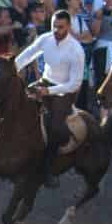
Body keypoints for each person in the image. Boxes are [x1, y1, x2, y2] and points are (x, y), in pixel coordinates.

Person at [12, 10, 85, 165]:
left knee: (55, 127)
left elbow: (75, 84)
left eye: (61, 27)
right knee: (18, 101)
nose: (56, 31)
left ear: (69, 26)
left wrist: (48, 91)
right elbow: (27, 55)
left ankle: (49, 164)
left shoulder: (76, 50)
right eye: (54, 26)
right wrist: (10, 69)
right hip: (45, 82)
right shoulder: (45, 39)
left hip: (65, 91)